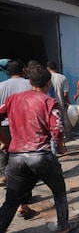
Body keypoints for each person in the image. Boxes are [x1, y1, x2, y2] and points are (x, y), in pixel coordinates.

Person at [0, 65, 78, 233]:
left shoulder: (13, 99)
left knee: (11, 202)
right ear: (48, 84)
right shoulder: (49, 102)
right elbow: (57, 129)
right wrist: (60, 147)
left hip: (16, 157)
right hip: (40, 155)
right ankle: (63, 225)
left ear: (30, 82)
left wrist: (4, 142)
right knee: (58, 190)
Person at [0, 59, 32, 215]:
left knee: (8, 159)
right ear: (23, 70)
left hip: (5, 126)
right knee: (24, 160)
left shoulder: (1, 86)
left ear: (8, 72)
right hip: (23, 126)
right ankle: (24, 199)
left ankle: (11, 189)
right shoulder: (29, 84)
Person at [46, 61, 72, 140]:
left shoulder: (46, 77)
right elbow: (65, 93)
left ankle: (53, 137)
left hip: (48, 104)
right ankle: (65, 136)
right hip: (60, 103)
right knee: (62, 120)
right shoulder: (62, 78)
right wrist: (67, 102)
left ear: (48, 68)